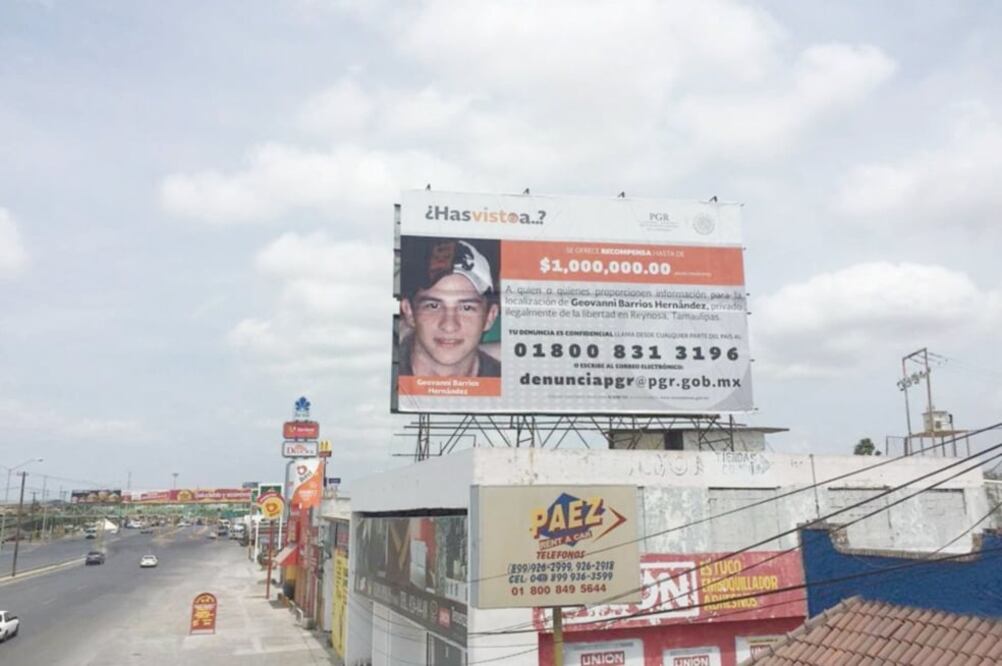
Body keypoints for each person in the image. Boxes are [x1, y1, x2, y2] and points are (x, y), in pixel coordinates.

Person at [399, 238, 500, 377]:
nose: (449, 326)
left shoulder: (511, 383)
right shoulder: (385, 373)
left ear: (490, 316)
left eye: (466, 307)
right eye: (433, 306)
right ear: (409, 311)